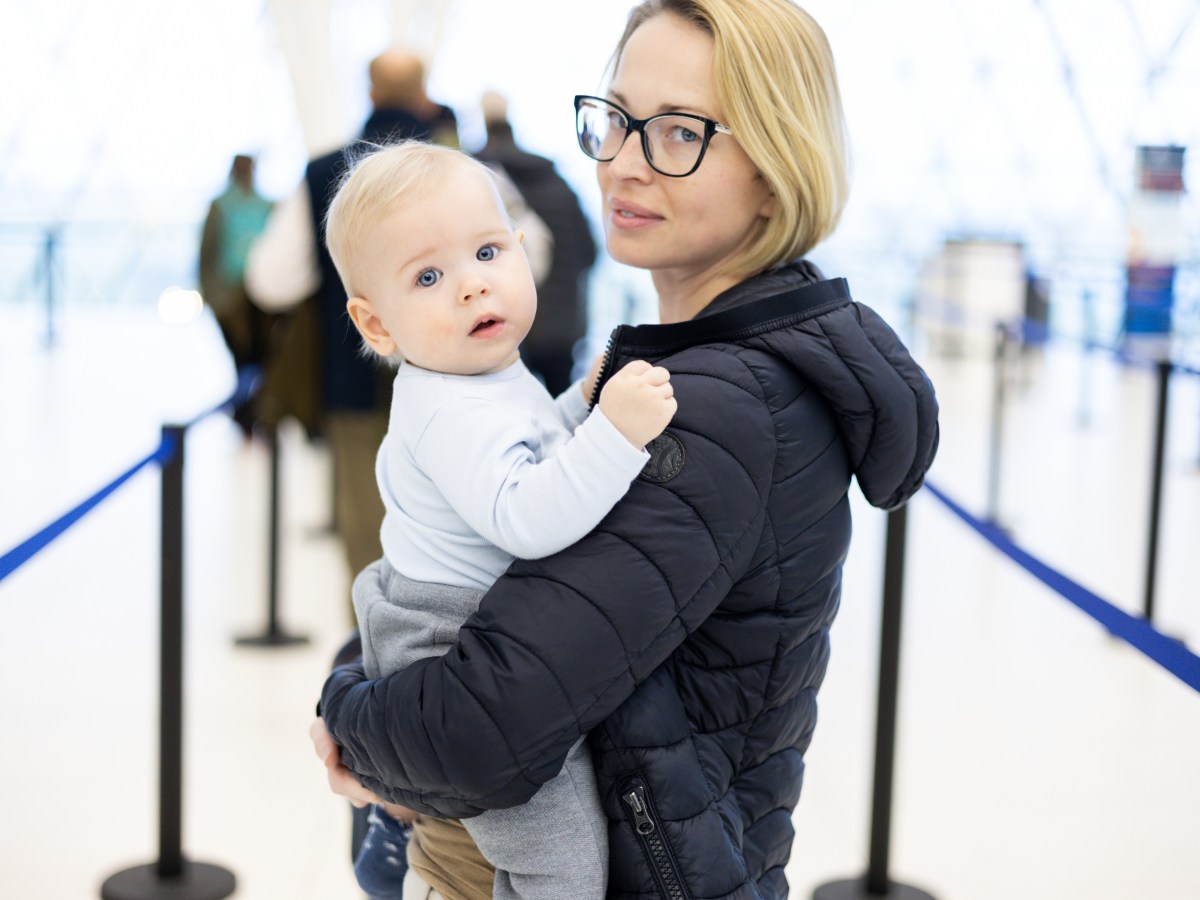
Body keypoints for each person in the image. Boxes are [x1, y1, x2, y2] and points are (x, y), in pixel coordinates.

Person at [313, 2, 940, 897]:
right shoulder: (686, 369)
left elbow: (483, 729)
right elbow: (511, 604)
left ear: (775, 169)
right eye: (615, 120)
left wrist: (345, 713)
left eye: (679, 132)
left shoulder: (723, 409)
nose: (624, 161)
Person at [326, 139, 675, 899]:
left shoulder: (478, 374)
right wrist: (614, 432)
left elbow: (524, 447)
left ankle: (400, 829)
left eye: (487, 251)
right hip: (445, 647)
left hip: (465, 632)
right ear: (376, 324)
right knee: (562, 860)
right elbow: (525, 515)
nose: (470, 287)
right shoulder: (445, 407)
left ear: (523, 252)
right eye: (427, 275)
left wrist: (579, 407)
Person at [245, 49, 550, 583]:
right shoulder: (471, 171)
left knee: (373, 543)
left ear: (369, 94)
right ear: (426, 92)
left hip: (355, 385)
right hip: (480, 377)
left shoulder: (322, 173)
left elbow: (271, 280)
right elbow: (537, 254)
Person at [476, 91, 598, 395]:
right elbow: (589, 252)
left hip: (503, 327)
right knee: (563, 411)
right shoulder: (557, 183)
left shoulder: (479, 183)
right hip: (562, 326)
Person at [198, 153, 274, 435]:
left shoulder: (266, 205)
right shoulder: (220, 206)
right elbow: (207, 253)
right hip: (230, 297)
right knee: (242, 358)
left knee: (259, 359)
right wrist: (211, 295)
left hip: (262, 297)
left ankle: (255, 416)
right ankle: (245, 418)